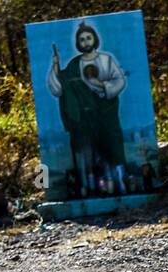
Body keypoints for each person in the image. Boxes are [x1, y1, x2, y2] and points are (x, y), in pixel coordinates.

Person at [46, 21, 128, 197]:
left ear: (95, 39)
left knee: (112, 148)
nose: (85, 42)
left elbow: (119, 81)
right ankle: (90, 188)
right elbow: (59, 88)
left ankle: (120, 183)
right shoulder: (74, 65)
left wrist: (103, 87)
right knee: (86, 153)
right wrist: (55, 66)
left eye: (88, 38)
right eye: (82, 39)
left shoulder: (106, 60)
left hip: (106, 115)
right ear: (78, 43)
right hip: (84, 120)